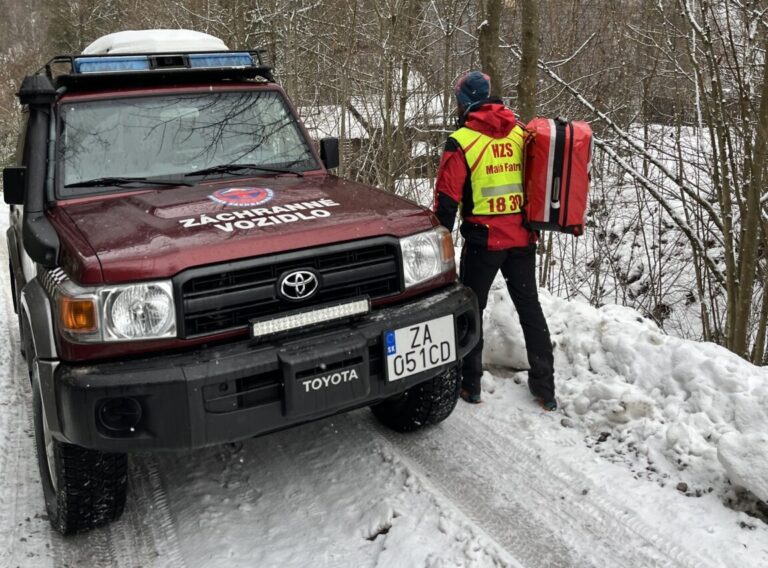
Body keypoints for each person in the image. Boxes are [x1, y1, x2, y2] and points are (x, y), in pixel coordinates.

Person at [432, 70, 556, 410]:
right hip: (522, 240)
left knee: (472, 309)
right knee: (530, 309)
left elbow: (446, 199)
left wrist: (438, 243)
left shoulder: (462, 140)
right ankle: (546, 388)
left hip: (483, 244)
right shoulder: (520, 133)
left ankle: (470, 385)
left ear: (465, 103)